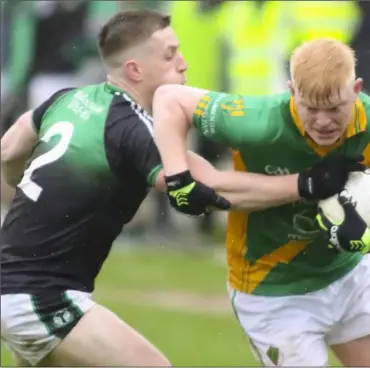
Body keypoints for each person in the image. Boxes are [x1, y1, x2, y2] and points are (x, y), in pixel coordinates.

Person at [0, 9, 245, 367]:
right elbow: (209, 184)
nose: (183, 62)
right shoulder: (133, 127)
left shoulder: (69, 99)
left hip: (16, 285)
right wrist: (304, 186)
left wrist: (25, 187)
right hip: (40, 297)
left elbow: (8, 150)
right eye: (170, 54)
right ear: (135, 70)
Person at [152, 38, 370, 366]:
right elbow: (168, 99)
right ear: (291, 90)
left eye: (335, 108)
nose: (323, 121)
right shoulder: (258, 122)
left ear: (356, 89)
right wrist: (179, 179)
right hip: (273, 291)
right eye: (311, 108)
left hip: (349, 277)